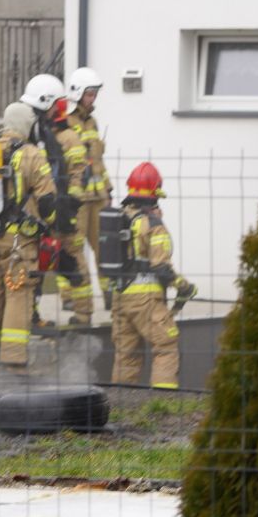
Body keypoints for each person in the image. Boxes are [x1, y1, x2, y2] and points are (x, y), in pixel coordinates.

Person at [0, 102, 58, 372]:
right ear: (27, 125)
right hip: (17, 241)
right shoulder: (33, 154)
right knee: (18, 294)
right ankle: (13, 363)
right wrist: (50, 224)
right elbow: (47, 203)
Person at [111, 162, 195, 389]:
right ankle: (163, 407)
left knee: (126, 355)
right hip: (146, 300)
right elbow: (161, 267)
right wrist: (184, 286)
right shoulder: (153, 224)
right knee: (166, 347)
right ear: (155, 191)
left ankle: (120, 408)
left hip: (119, 298)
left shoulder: (117, 218)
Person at [19, 73, 74, 329]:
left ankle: (31, 313)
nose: (57, 111)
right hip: (31, 210)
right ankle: (27, 316)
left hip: (42, 207)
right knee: (28, 265)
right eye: (55, 105)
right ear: (46, 101)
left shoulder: (40, 128)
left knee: (39, 263)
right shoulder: (32, 130)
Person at [65, 68, 112, 304]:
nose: (93, 99)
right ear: (77, 93)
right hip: (77, 199)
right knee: (73, 247)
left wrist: (108, 189)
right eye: (89, 94)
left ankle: (110, 296)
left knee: (104, 248)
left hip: (98, 198)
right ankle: (71, 297)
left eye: (95, 94)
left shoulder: (92, 122)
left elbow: (98, 161)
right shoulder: (65, 123)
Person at [51, 98, 94, 327]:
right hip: (54, 209)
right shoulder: (51, 137)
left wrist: (72, 202)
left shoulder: (68, 138)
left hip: (68, 209)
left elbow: (80, 172)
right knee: (55, 256)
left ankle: (83, 312)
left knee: (74, 255)